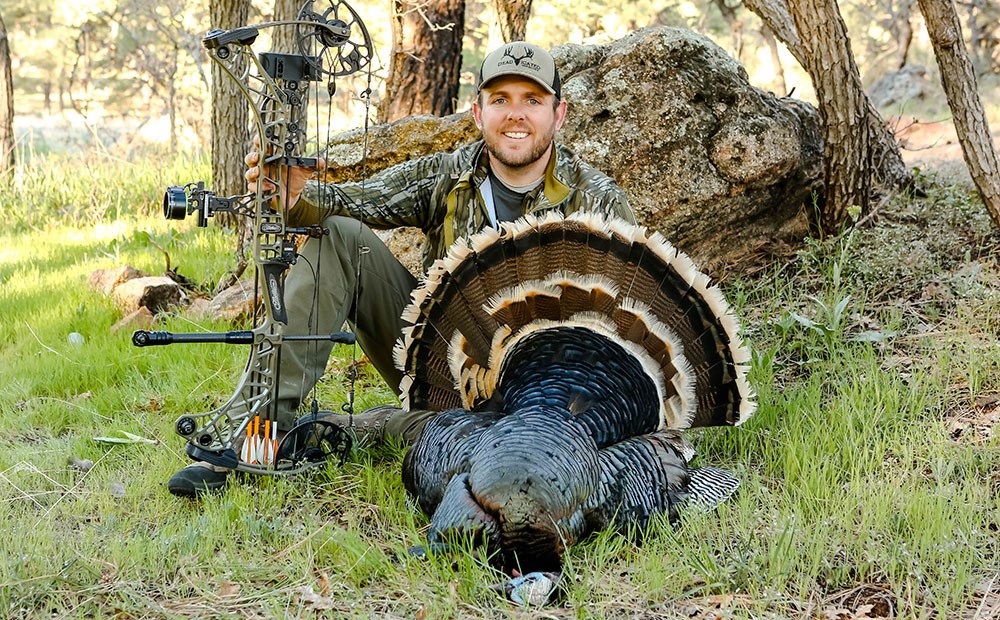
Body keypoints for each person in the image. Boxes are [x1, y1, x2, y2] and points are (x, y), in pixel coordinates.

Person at [168, 42, 635, 497]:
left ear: (559, 114)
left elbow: (632, 330)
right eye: (500, 100)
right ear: (477, 114)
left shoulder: (598, 201)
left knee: (434, 435)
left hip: (551, 403)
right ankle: (257, 436)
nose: (516, 114)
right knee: (340, 236)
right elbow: (348, 201)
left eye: (532, 100)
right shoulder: (446, 176)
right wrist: (292, 198)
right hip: (445, 372)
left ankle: (361, 429)